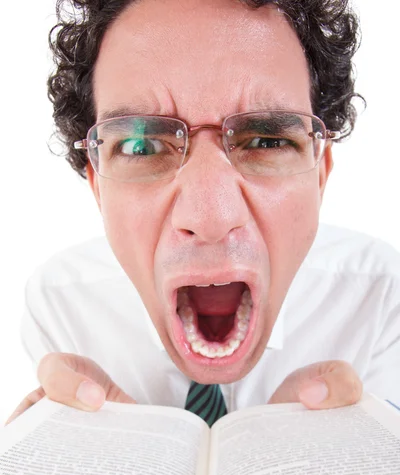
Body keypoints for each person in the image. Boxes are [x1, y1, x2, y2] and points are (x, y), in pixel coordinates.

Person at [6, 0, 400, 424]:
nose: (210, 218)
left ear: (319, 177)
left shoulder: (380, 298)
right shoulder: (60, 304)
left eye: (267, 141)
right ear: (98, 187)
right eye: (142, 147)